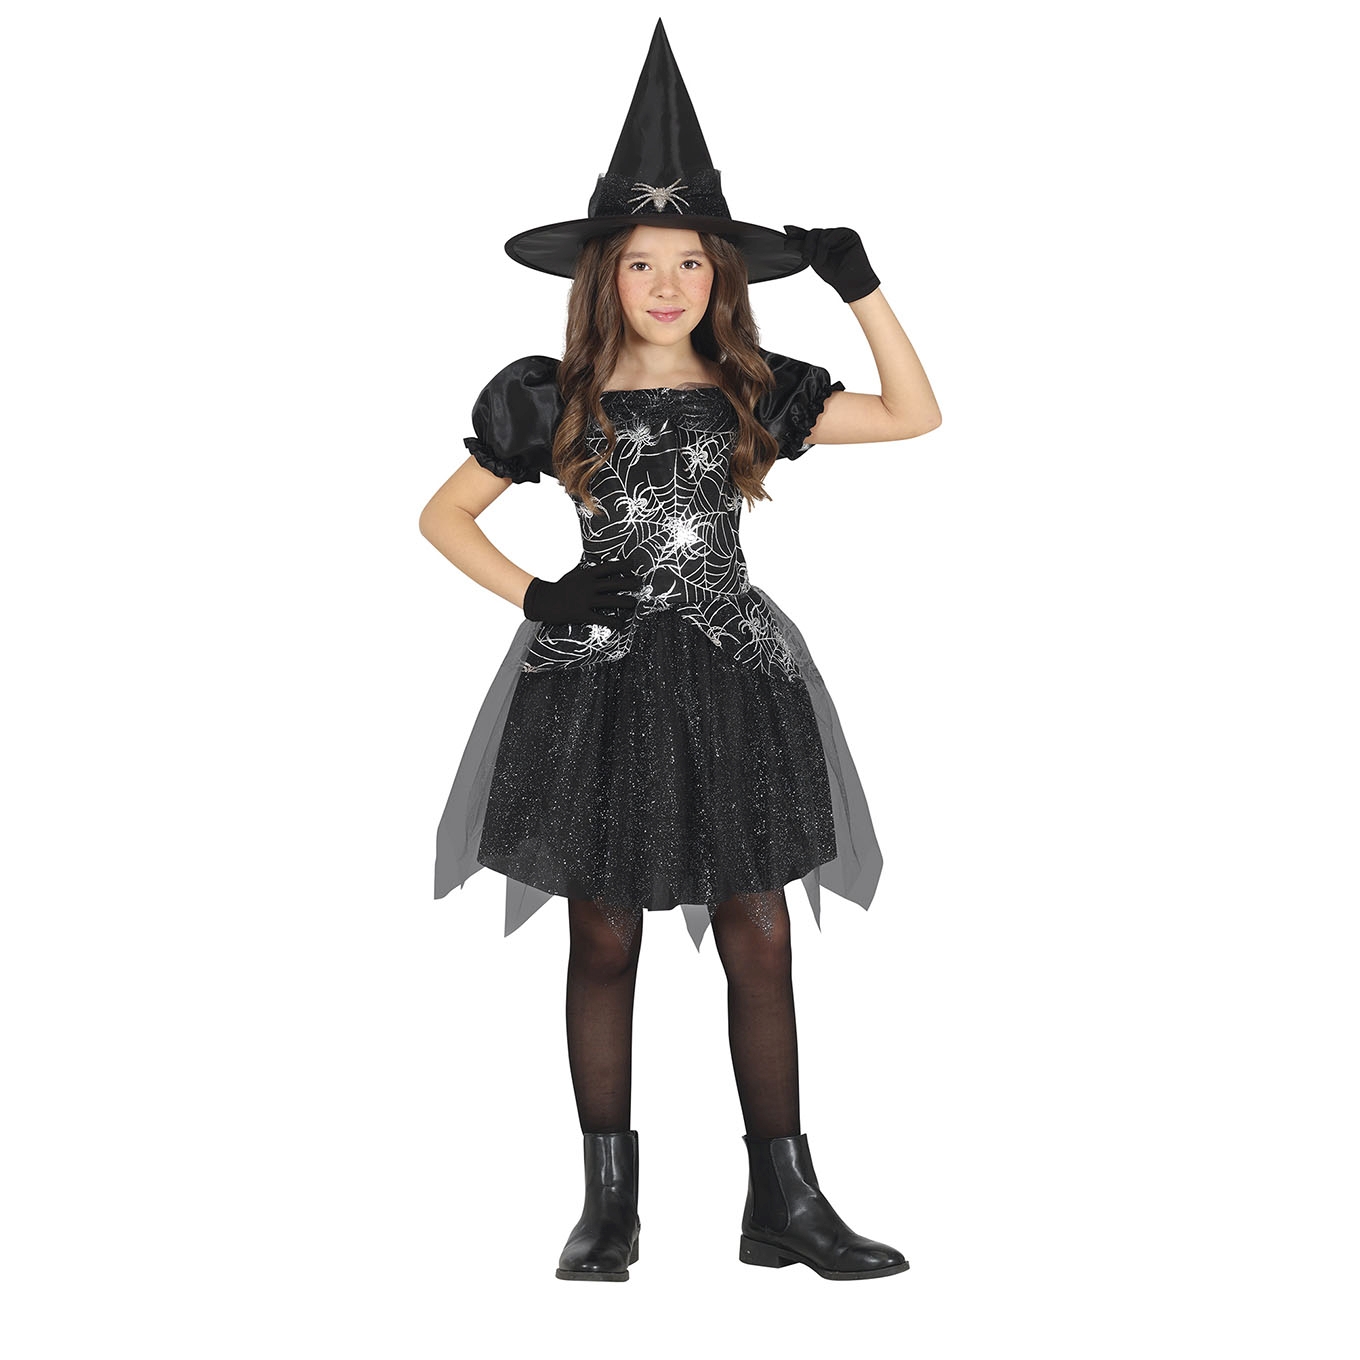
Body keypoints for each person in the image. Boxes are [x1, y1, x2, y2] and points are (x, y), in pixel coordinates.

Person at [419, 21, 940, 1282]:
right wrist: (539, 594)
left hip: (730, 674)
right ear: (605, 276)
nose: (667, 284)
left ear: (721, 277)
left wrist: (860, 286)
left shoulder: (752, 386)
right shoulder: (549, 396)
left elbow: (914, 415)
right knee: (602, 935)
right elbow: (442, 516)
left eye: (692, 262)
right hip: (593, 682)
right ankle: (608, 1206)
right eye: (642, 263)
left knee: (759, 928)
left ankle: (785, 1200)